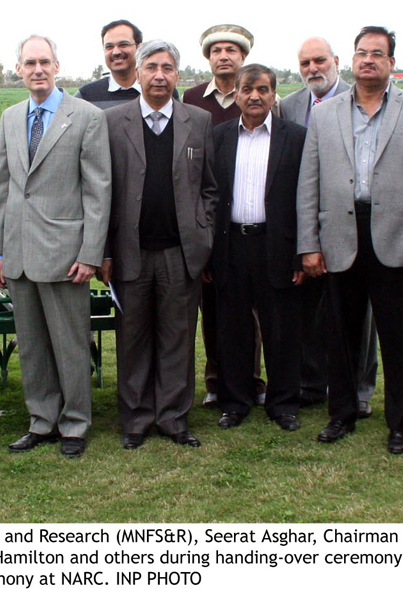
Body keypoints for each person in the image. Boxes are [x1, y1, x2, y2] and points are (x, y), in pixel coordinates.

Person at [297, 26, 403, 454]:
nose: (369, 60)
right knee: (340, 332)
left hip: (395, 235)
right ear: (351, 60)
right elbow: (310, 183)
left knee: (399, 336)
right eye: (362, 53)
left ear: (392, 62)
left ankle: (401, 422)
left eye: (378, 53)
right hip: (341, 233)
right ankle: (341, 414)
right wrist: (310, 242)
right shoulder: (325, 114)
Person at [0, 35, 110, 458]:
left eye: (44, 62)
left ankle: (75, 425)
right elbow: (1, 188)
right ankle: (41, 421)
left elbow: (99, 191)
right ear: (18, 69)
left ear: (57, 66)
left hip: (65, 255)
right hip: (18, 255)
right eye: (29, 63)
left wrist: (90, 253)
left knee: (70, 344)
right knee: (33, 347)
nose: (37, 69)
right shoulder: (8, 118)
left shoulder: (87, 117)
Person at [102, 40, 217, 449]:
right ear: (138, 73)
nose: (159, 76)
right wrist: (106, 252)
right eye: (151, 67)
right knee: (132, 339)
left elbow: (209, 188)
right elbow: (105, 191)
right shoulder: (114, 122)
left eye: (167, 68)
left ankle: (173, 418)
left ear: (177, 76)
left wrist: (203, 235)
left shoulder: (198, 122)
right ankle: (135, 419)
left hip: (179, 253)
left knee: (177, 339)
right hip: (130, 251)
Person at [280, 37, 377, 415]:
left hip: (350, 223)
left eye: (319, 61)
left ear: (336, 61)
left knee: (358, 314)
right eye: (304, 63)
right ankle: (311, 384)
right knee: (307, 310)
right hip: (305, 222)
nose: (312, 69)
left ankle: (360, 389)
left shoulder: (357, 103)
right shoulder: (289, 106)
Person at [210, 64, 307, 432]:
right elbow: (210, 195)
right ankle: (234, 402)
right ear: (235, 94)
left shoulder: (294, 137)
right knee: (232, 329)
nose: (254, 96)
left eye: (263, 89)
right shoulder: (218, 136)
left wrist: (301, 251)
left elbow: (305, 197)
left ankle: (283, 404)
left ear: (273, 95)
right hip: (231, 244)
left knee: (280, 329)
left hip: (276, 245)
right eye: (247, 89)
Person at [183, 23, 266, 408]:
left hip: (249, 210)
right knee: (211, 302)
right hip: (209, 213)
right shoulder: (193, 98)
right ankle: (215, 378)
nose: (224, 56)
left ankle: (253, 377)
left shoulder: (258, 95)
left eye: (232, 49)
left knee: (251, 307)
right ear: (208, 58)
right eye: (217, 50)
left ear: (243, 57)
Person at [75, 19, 178, 110]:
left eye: (123, 44)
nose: (116, 52)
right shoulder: (86, 95)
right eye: (109, 46)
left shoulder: (163, 91)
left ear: (139, 47)